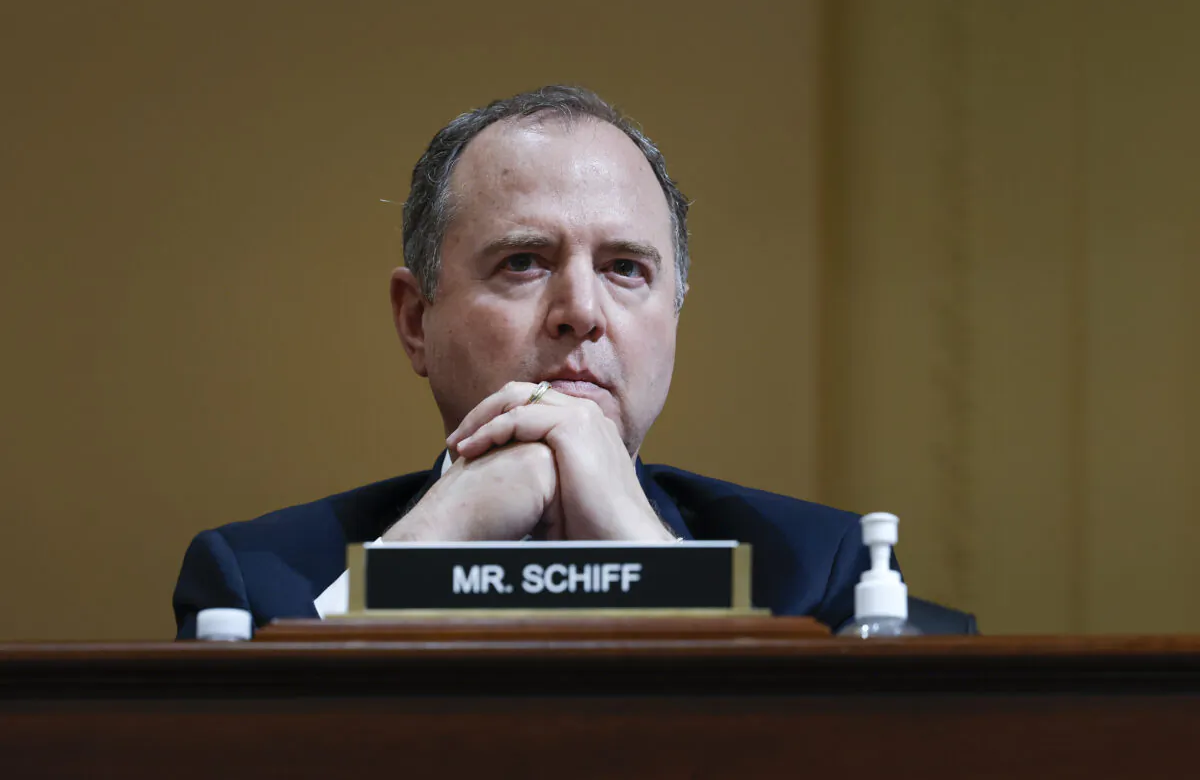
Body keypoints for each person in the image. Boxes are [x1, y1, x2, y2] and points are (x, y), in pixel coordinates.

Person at [173, 85, 975, 638]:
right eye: (523, 261)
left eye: (626, 267)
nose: (582, 311)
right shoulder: (261, 582)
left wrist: (645, 552)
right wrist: (426, 547)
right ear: (417, 321)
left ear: (674, 314)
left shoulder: (818, 576)